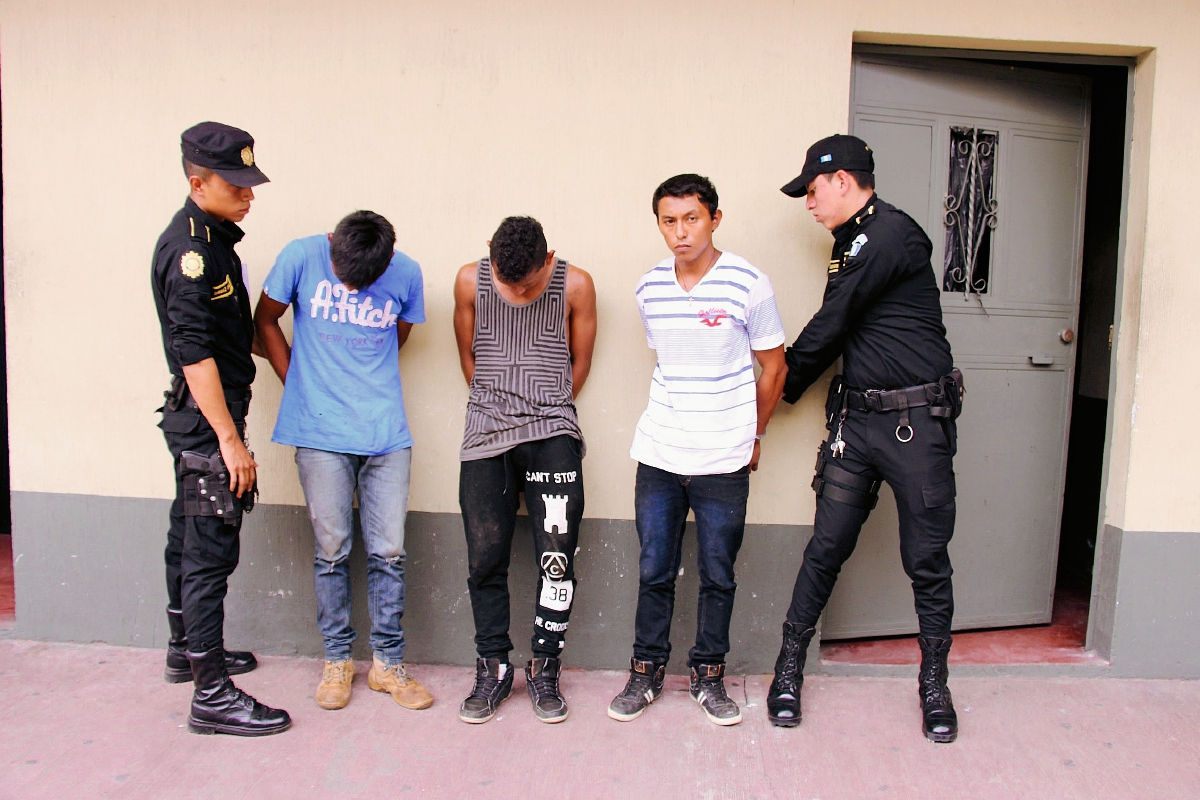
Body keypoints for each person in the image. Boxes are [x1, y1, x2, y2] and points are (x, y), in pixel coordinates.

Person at [768, 134, 963, 743]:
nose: (807, 201)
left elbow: (833, 322)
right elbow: (847, 326)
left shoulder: (890, 235)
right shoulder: (851, 242)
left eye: (813, 189)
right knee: (825, 548)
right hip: (857, 424)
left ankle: (934, 683)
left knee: (926, 561)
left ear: (844, 181)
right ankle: (788, 670)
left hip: (915, 427)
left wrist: (773, 391)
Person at [608, 174, 787, 727]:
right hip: (660, 451)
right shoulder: (649, 288)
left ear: (714, 218)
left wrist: (752, 436)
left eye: (691, 218)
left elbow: (774, 366)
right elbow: (669, 361)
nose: (680, 232)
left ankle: (709, 677)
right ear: (658, 223)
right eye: (669, 220)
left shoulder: (749, 284)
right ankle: (645, 674)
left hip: (723, 457)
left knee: (718, 574)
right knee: (654, 569)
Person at [254, 210, 432, 713]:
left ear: (389, 260)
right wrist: (298, 383)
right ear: (332, 242)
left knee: (389, 552)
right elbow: (264, 321)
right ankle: (336, 659)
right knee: (331, 550)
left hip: (385, 432)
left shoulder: (407, 273)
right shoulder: (299, 255)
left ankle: (387, 664)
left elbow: (395, 337)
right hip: (319, 432)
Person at [151, 121, 290, 736]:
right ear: (197, 182)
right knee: (210, 548)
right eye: (236, 184)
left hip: (200, 416)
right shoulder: (192, 253)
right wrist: (229, 442)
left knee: (188, 533)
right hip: (209, 420)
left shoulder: (214, 239)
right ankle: (212, 693)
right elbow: (194, 352)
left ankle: (188, 651)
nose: (249, 194)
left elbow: (228, 339)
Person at [452, 216, 597, 724]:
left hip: (552, 433)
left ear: (550, 261)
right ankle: (492, 667)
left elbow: (580, 361)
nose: (516, 289)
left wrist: (543, 409)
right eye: (506, 278)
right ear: (489, 251)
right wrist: (499, 406)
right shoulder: (470, 280)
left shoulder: (575, 284)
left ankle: (544, 664)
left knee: (556, 557)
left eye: (529, 283)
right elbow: (470, 357)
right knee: (484, 557)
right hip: (485, 435)